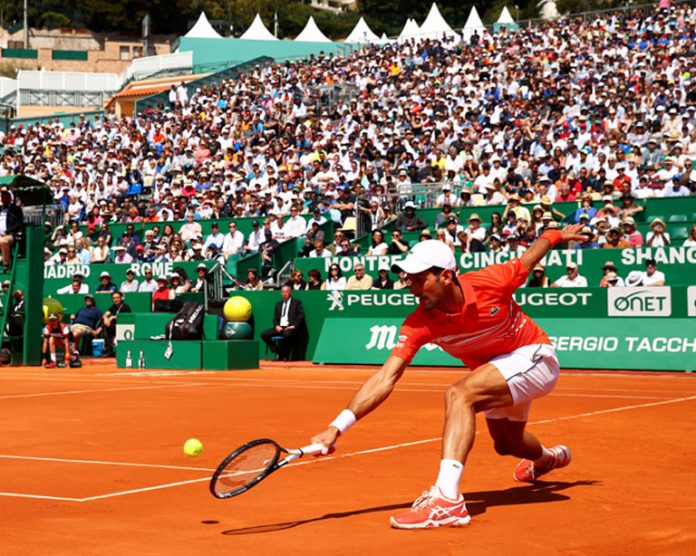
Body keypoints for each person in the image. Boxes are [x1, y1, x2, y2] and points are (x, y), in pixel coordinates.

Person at [310, 225, 584, 529]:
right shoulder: (419, 323)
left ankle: (447, 500)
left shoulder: (491, 281)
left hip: (534, 357)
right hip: (494, 372)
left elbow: (529, 258)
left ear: (445, 276)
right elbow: (386, 377)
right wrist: (336, 428)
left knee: (459, 394)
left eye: (418, 279)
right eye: (407, 279)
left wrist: (555, 233)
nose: (410, 287)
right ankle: (547, 458)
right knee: (507, 444)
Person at [260, 284, 305, 361]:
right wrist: (276, 326)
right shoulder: (278, 304)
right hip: (280, 327)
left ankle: (284, 355)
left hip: (290, 328)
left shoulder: (297, 303)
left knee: (286, 334)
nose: (284, 294)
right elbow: (275, 319)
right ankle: (277, 351)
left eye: (286, 292)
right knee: (264, 334)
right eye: (282, 292)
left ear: (290, 293)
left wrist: (294, 326)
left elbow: (301, 315)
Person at [101, 291, 131, 357]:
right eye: (114, 298)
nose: (116, 300)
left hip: (123, 327)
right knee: (105, 326)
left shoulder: (125, 307)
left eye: (117, 298)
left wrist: (113, 317)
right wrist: (106, 318)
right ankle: (109, 351)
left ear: (121, 298)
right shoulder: (113, 307)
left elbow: (124, 317)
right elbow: (105, 314)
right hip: (114, 327)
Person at [0, 189, 24, 272]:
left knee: (3, 242)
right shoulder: (0, 208)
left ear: (10, 198)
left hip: (11, 234)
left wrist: (6, 232)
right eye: (2, 197)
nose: (3, 199)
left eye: (5, 197)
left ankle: (6, 264)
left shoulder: (16, 209)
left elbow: (18, 224)